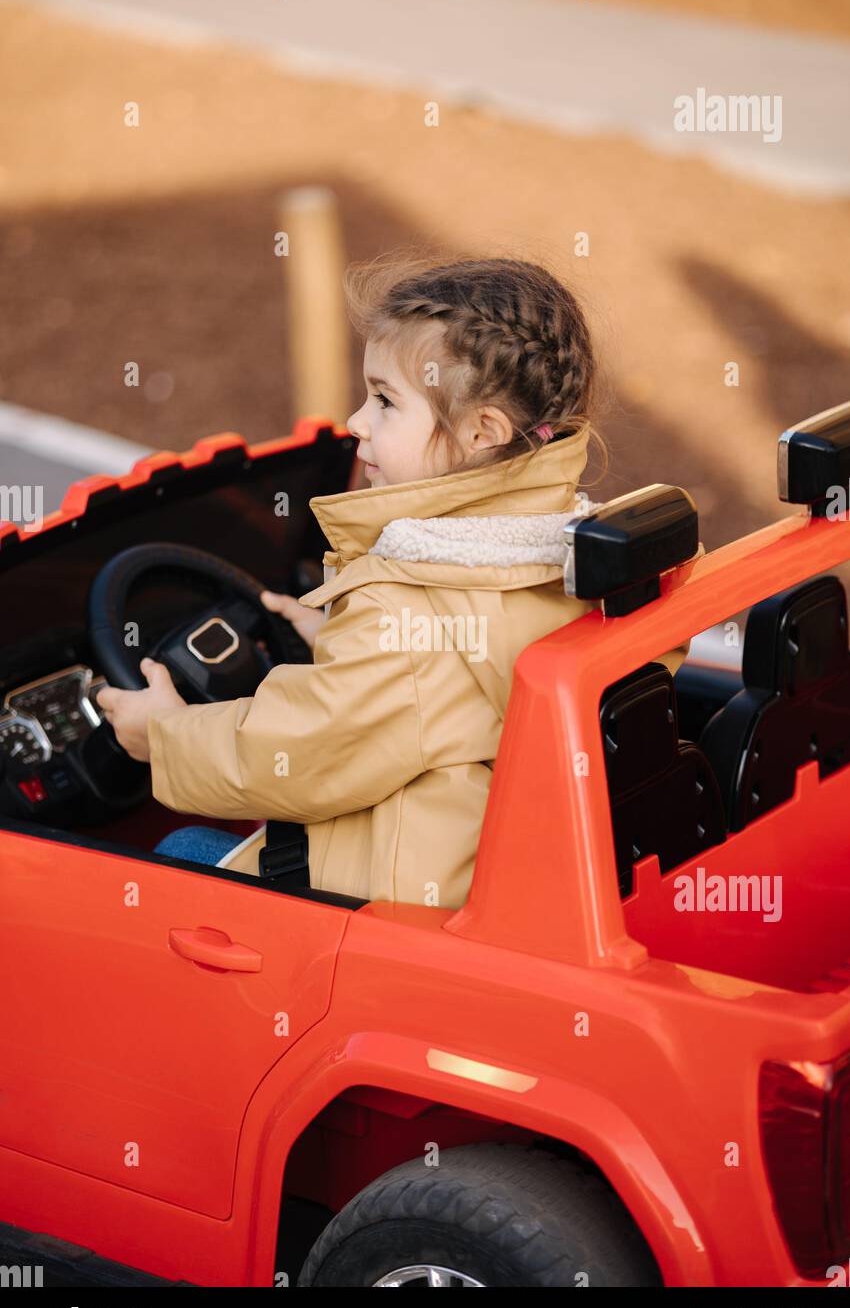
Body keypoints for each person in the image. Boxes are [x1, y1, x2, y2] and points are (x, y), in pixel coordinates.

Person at [97, 254, 696, 909]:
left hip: (387, 914)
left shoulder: (408, 611)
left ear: (482, 431)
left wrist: (161, 736)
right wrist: (338, 635)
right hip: (497, 882)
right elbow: (443, 681)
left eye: (384, 400)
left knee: (168, 858)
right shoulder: (565, 547)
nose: (356, 421)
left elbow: (301, 755)